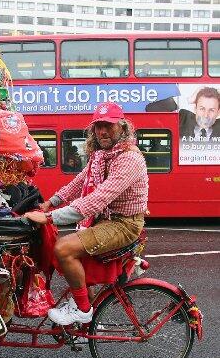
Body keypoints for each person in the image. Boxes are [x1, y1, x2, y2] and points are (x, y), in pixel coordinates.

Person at [24, 102, 148, 325]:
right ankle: (86, 323)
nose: (102, 132)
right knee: (67, 251)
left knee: (63, 248)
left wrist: (50, 217)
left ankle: (82, 310)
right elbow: (78, 182)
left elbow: (99, 198)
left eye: (108, 126)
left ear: (122, 126)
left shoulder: (129, 158)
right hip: (107, 221)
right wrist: (49, 203)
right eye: (98, 126)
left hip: (122, 225)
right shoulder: (102, 155)